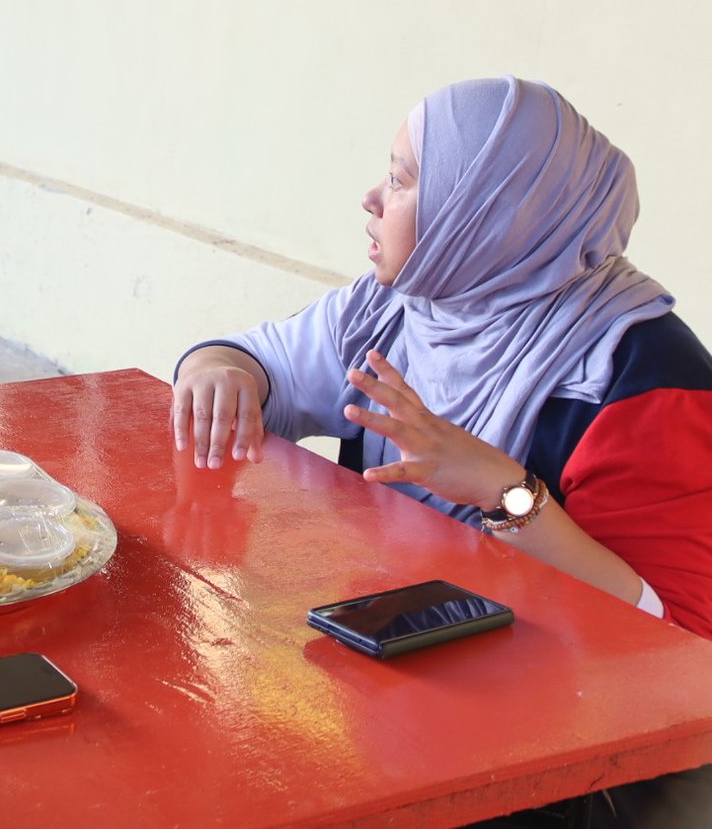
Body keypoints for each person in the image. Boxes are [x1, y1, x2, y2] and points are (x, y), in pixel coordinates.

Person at [173, 76, 712, 825]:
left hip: (562, 751)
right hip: (401, 672)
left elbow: (678, 642)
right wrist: (221, 370)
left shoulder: (639, 379)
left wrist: (506, 492)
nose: (371, 198)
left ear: (484, 212)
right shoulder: (402, 304)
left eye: (401, 180)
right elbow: (263, 362)